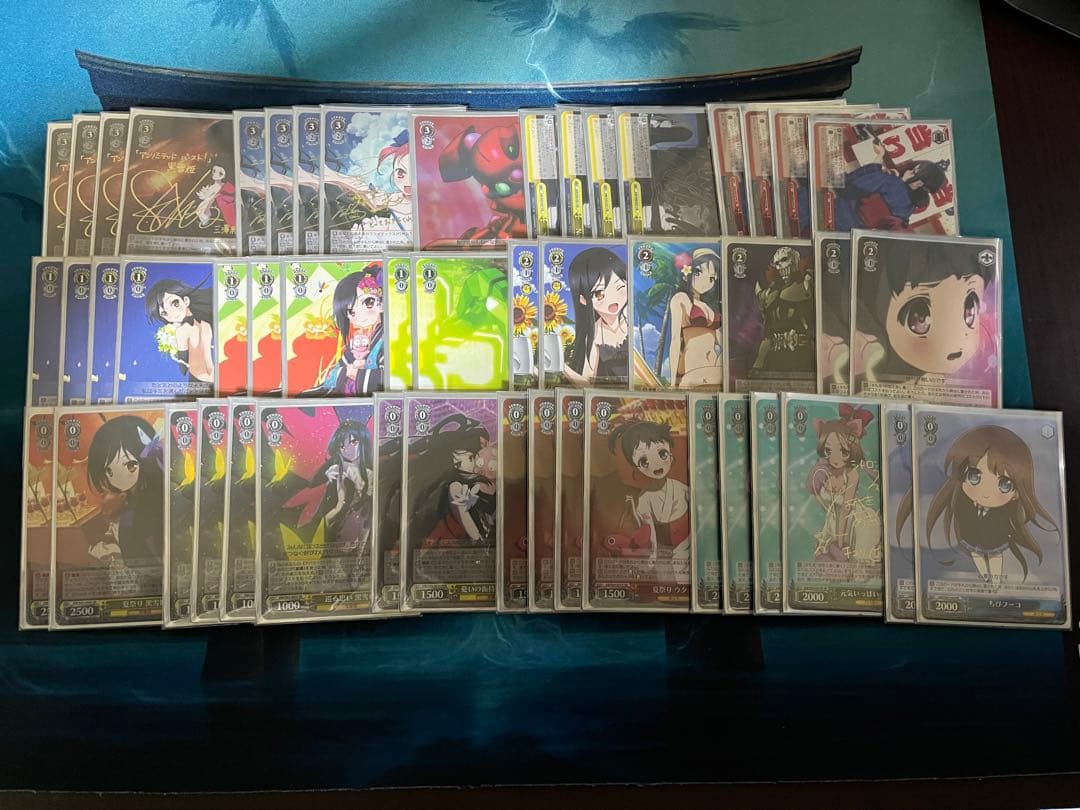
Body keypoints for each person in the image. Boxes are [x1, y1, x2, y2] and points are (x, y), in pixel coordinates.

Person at [899, 425, 1057, 589]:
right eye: (974, 476)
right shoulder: (963, 505)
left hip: (995, 541)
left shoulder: (1004, 513)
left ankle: (995, 585)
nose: (986, 493)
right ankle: (986, 582)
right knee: (977, 556)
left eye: (1004, 484)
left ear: (1017, 493)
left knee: (995, 559)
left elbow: (1006, 526)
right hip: (973, 540)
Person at [611, 420, 690, 580]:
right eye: (644, 461)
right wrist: (653, 556)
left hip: (688, 542)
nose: (656, 463)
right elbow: (651, 532)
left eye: (662, 454)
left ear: (671, 452)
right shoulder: (645, 499)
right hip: (665, 549)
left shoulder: (682, 488)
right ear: (635, 467)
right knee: (669, 576)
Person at [805, 405, 881, 564]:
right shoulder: (824, 472)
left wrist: (839, 544)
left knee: (856, 559)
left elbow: (846, 510)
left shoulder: (852, 475)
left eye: (843, 451)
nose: (835, 458)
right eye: (828, 450)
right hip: (834, 522)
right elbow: (824, 502)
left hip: (855, 523)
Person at [86, 414, 164, 565]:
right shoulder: (132, 502)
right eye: (109, 471)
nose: (114, 478)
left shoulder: (141, 512)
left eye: (130, 465)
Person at [563, 247, 628, 386]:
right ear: (583, 299)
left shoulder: (633, 320)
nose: (613, 299)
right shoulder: (594, 334)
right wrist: (560, 367)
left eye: (620, 287)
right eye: (599, 294)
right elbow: (586, 382)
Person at [666, 247, 722, 388]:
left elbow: (721, 340)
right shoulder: (681, 298)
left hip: (715, 368)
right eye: (698, 272)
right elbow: (675, 340)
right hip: (693, 368)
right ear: (687, 273)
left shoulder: (708, 306)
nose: (706, 282)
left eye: (711, 278)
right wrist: (672, 383)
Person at [144, 276, 215, 384]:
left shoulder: (181, 331)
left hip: (198, 382)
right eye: (164, 313)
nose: (172, 313)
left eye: (175, 303)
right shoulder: (206, 324)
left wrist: (175, 347)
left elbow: (183, 369)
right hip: (215, 378)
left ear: (186, 300)